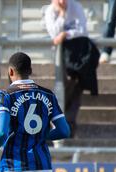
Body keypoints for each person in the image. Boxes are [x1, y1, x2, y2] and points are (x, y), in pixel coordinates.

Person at [44, 0, 88, 136]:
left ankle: (69, 127)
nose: (62, 2)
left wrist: (66, 35)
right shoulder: (50, 11)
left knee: (76, 89)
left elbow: (82, 30)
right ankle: (58, 125)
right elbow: (54, 33)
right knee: (62, 89)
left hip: (77, 55)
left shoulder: (76, 7)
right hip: (61, 57)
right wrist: (62, 14)